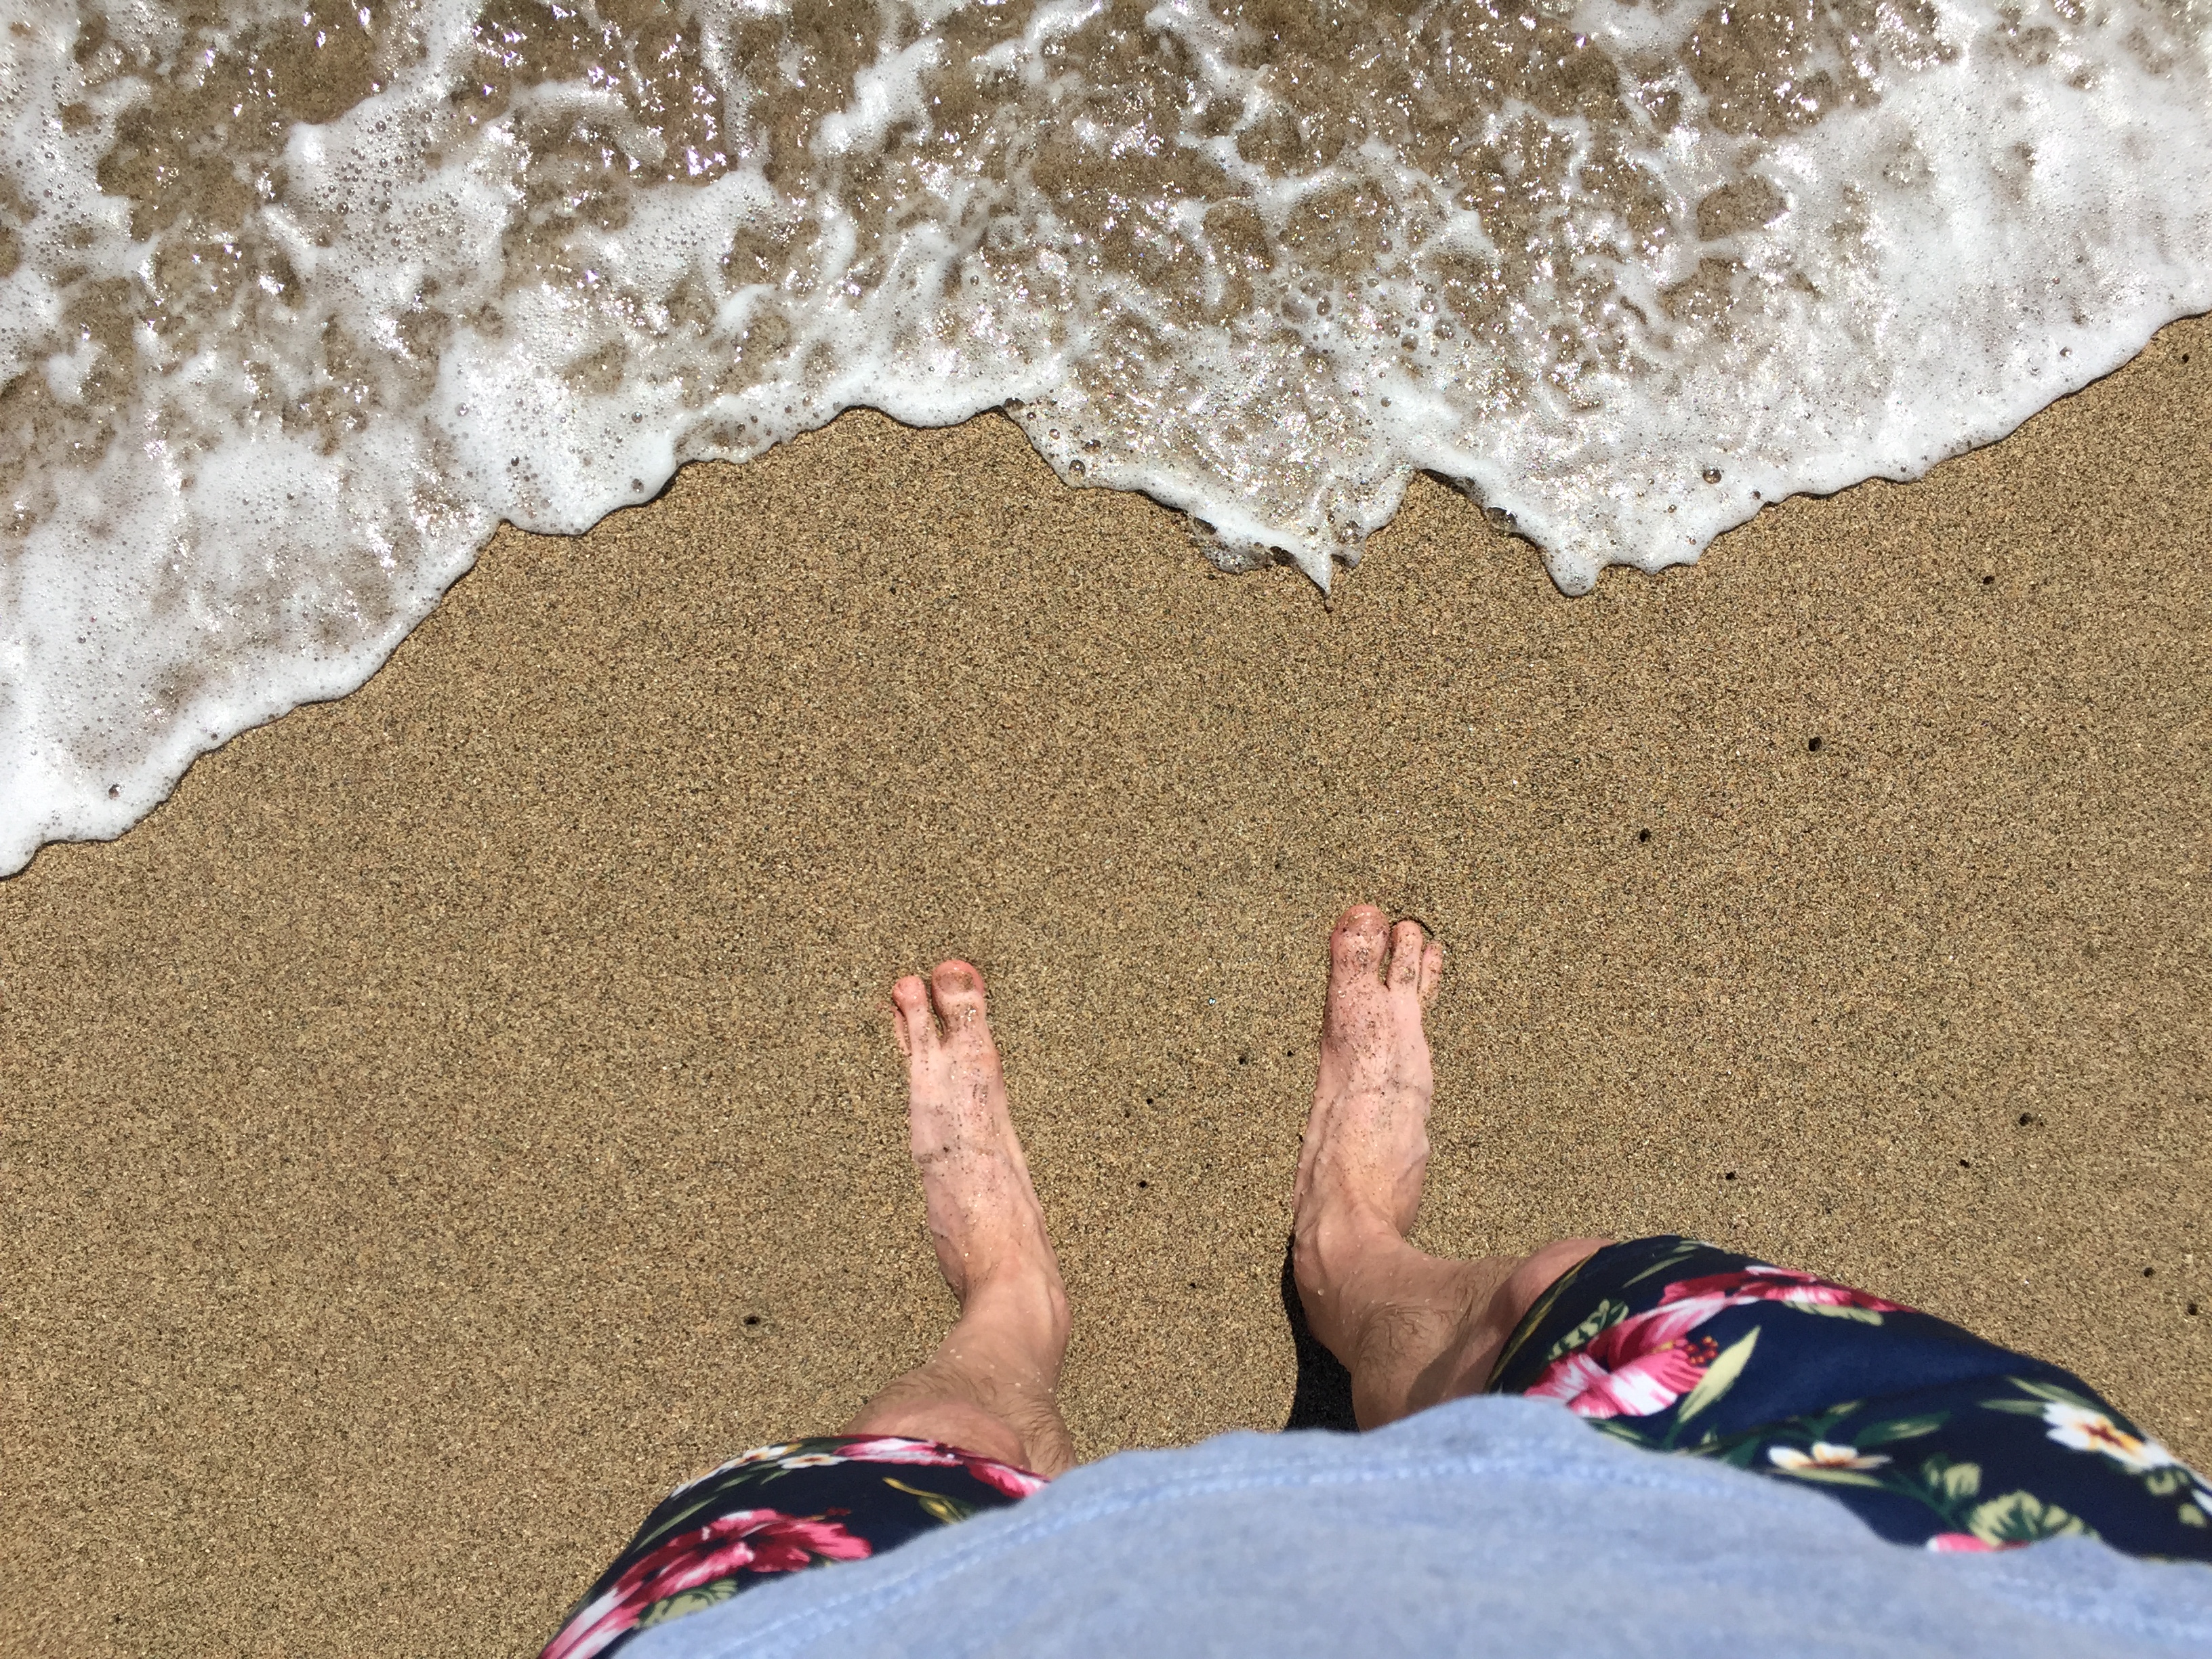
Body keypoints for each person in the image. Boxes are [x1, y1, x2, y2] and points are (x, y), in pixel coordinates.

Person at [541, 909, 2212, 1659]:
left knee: (903, 1474)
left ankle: (1011, 1325)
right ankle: (1351, 1263)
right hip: (2005, 1602)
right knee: (1596, 1309)